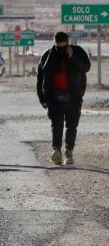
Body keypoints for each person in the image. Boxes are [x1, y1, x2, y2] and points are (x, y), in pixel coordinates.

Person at [36, 31, 90, 166]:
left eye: (63, 44)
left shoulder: (77, 51)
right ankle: (56, 151)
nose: (60, 47)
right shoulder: (48, 55)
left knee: (72, 126)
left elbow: (85, 67)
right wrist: (42, 97)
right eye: (58, 44)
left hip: (74, 97)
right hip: (54, 97)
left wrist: (71, 57)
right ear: (55, 42)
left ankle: (69, 153)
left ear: (67, 41)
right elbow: (41, 77)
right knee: (57, 124)